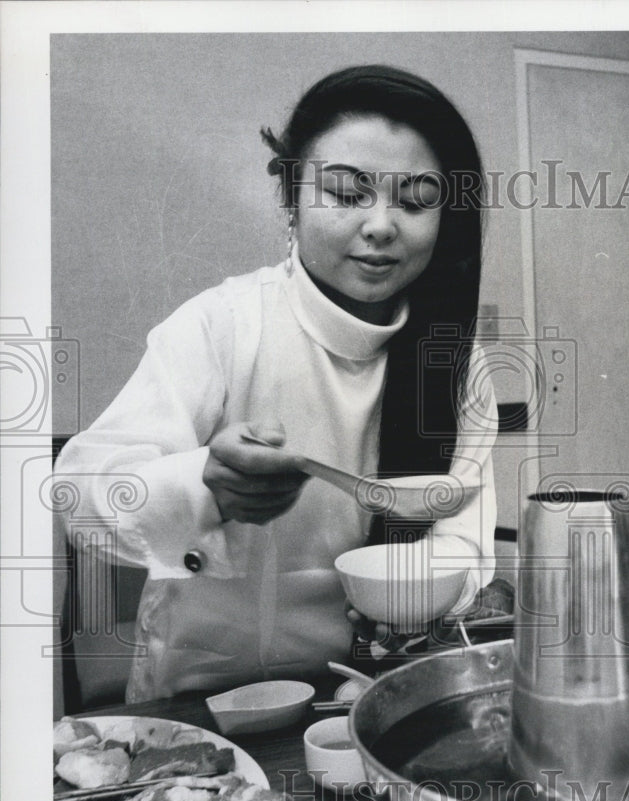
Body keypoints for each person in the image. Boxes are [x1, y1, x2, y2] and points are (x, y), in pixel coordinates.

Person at [55, 64, 498, 703]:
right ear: (291, 199)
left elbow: (464, 537)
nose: (380, 225)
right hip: (200, 702)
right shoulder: (224, 324)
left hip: (362, 699)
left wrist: (417, 593)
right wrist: (203, 483)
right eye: (348, 193)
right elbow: (79, 496)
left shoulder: (458, 363)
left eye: (415, 199)